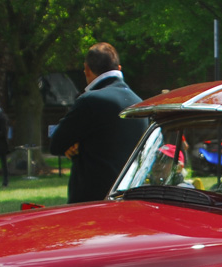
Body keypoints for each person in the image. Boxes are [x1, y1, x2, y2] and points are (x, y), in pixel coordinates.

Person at [49, 42, 148, 204]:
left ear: (87, 69)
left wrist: (76, 143)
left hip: (92, 201)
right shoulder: (140, 104)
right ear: (119, 69)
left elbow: (56, 144)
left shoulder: (89, 101)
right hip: (130, 197)